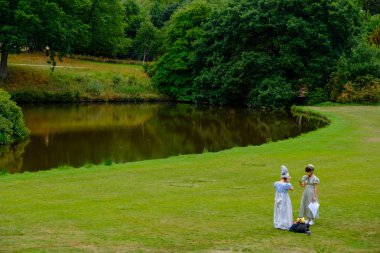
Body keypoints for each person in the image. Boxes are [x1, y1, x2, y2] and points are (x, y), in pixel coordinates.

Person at [274, 165, 294, 230]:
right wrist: (289, 181)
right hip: (284, 198)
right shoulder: (286, 184)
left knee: (278, 210)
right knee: (285, 210)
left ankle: (278, 223)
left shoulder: (276, 183)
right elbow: (292, 188)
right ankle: (285, 224)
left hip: (278, 198)